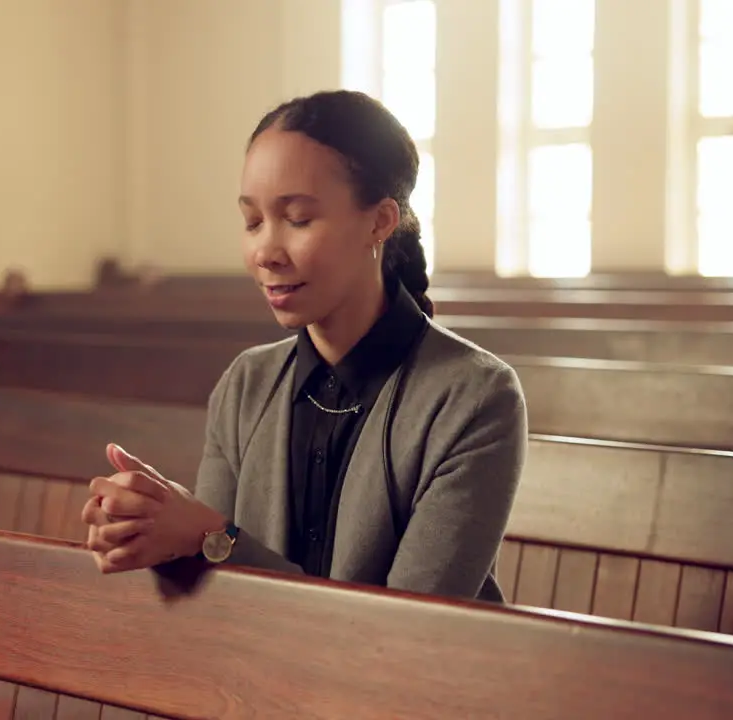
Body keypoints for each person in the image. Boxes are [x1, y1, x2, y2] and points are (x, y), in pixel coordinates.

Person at [82, 90, 527, 602]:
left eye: (297, 219)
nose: (266, 252)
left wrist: (209, 537)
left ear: (380, 222)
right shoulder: (246, 384)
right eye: (252, 221)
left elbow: (410, 633)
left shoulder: (474, 396)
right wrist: (144, 530)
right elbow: (215, 595)